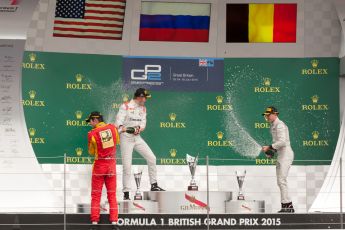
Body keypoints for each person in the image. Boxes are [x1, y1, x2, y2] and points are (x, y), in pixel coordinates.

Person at [116, 88, 165, 200]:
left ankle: (154, 185)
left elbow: (143, 123)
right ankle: (126, 194)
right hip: (126, 138)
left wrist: (138, 129)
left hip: (137, 137)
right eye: (144, 98)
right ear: (139, 97)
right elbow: (118, 123)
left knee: (152, 158)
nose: (145, 100)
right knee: (127, 166)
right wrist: (127, 129)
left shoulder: (143, 108)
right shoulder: (125, 106)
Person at [86, 111, 120, 229]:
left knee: (96, 195)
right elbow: (117, 142)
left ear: (95, 120)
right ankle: (114, 222)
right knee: (112, 195)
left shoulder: (92, 134)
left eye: (90, 121)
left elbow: (91, 152)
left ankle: (94, 223)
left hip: (99, 166)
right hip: (111, 166)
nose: (90, 124)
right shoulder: (113, 128)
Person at [261, 106, 295, 213]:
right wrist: (272, 152)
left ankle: (288, 207)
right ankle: (286, 206)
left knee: (281, 180)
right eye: (266, 115)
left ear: (275, 114)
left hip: (286, 155)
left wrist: (269, 147)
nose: (267, 117)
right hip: (281, 154)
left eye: (268, 114)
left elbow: (283, 142)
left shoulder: (279, 125)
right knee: (280, 181)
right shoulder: (273, 126)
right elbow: (278, 144)